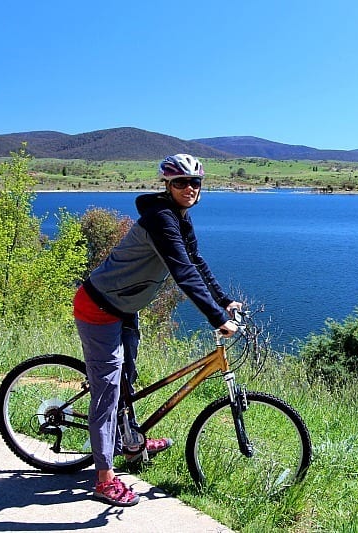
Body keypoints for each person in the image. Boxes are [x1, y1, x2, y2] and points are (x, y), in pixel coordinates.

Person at [73, 154, 241, 506]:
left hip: (125, 307)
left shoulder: (180, 218)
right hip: (99, 307)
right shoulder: (161, 218)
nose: (189, 188)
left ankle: (132, 443)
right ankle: (104, 479)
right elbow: (182, 273)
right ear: (167, 185)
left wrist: (224, 300)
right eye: (180, 182)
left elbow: (196, 261)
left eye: (195, 182)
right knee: (106, 392)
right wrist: (216, 318)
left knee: (126, 379)